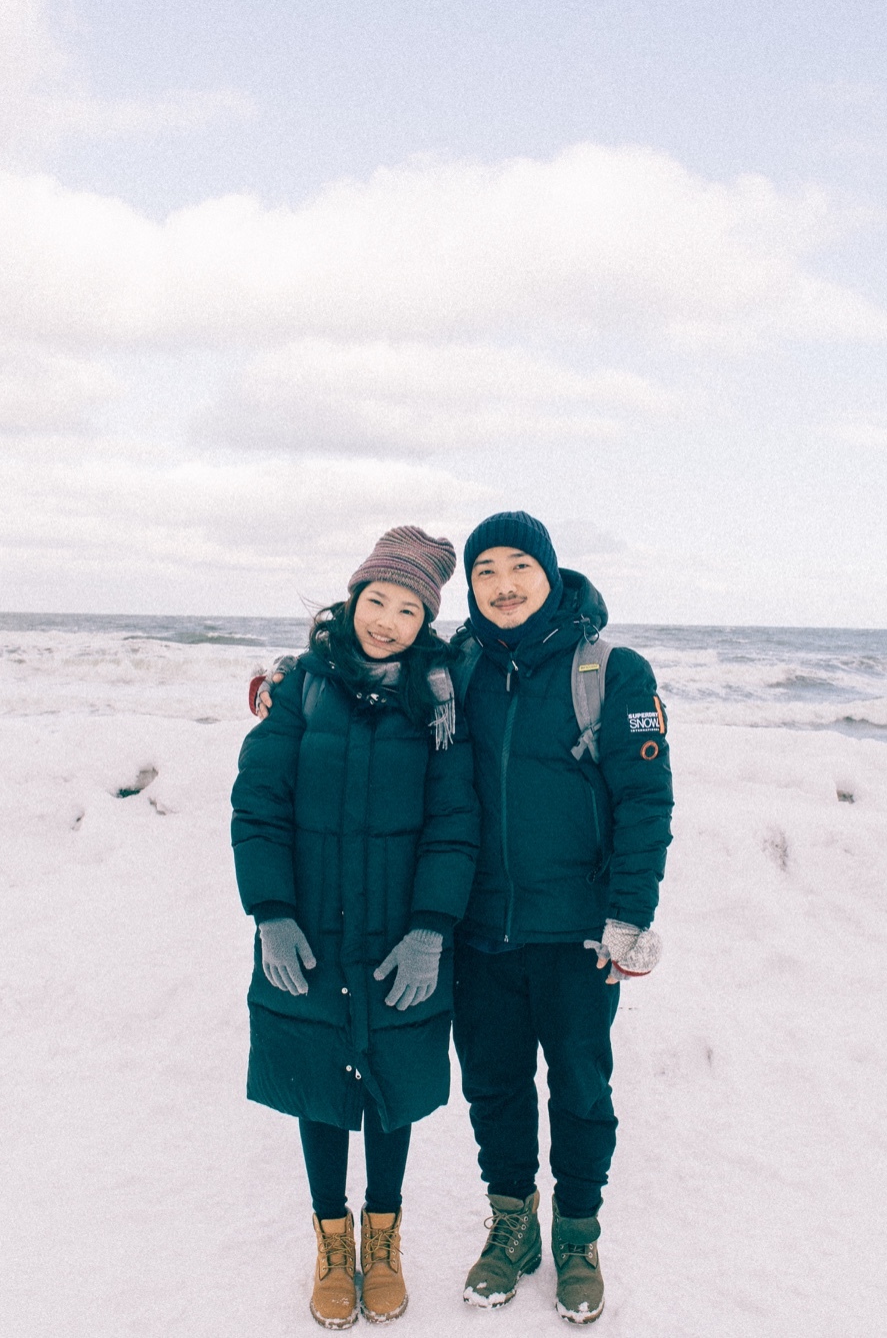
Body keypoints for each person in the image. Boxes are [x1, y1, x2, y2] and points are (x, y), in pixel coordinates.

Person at [255, 511, 673, 1325]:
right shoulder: (459, 668)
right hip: (479, 929)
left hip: (578, 930)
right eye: (486, 571)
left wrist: (631, 913)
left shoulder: (611, 671)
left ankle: (578, 1234)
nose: (504, 584)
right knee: (494, 1084)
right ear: (470, 589)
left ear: (550, 575)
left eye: (520, 567)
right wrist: (282, 676)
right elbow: (363, 669)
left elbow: (645, 801)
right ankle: (512, 1222)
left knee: (582, 1087)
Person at [231, 525, 479, 1329]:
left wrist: (432, 927)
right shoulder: (302, 685)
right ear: (353, 597)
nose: (387, 620)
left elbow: (454, 821)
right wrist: (270, 911)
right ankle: (332, 1240)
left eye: (409, 609)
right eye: (377, 599)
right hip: (310, 931)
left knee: (392, 1089)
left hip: (399, 935)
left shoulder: (439, 701)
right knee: (317, 1079)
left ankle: (384, 1235)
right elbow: (259, 803)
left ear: (425, 621)